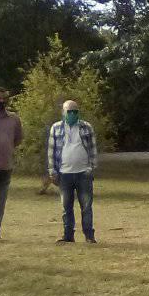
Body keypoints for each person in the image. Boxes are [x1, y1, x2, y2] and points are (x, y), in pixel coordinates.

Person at [48, 100, 98, 245]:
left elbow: (93, 149)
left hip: (83, 173)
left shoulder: (86, 127)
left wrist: (91, 168)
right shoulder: (56, 128)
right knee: (66, 207)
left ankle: (89, 235)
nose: (72, 114)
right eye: (69, 111)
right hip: (64, 173)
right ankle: (68, 235)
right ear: (63, 112)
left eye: (75, 111)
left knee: (87, 206)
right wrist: (52, 171)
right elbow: (51, 151)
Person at [0, 88, 23, 241]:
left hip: (5, 166)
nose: (1, 101)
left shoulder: (14, 119)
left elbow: (17, 139)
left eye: (3, 99)